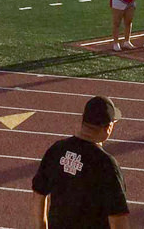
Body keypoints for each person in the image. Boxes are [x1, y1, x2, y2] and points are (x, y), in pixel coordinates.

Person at [31, 96, 129, 229]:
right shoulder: (106, 164)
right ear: (108, 127)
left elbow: (39, 194)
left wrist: (42, 227)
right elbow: (118, 220)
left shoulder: (57, 150)